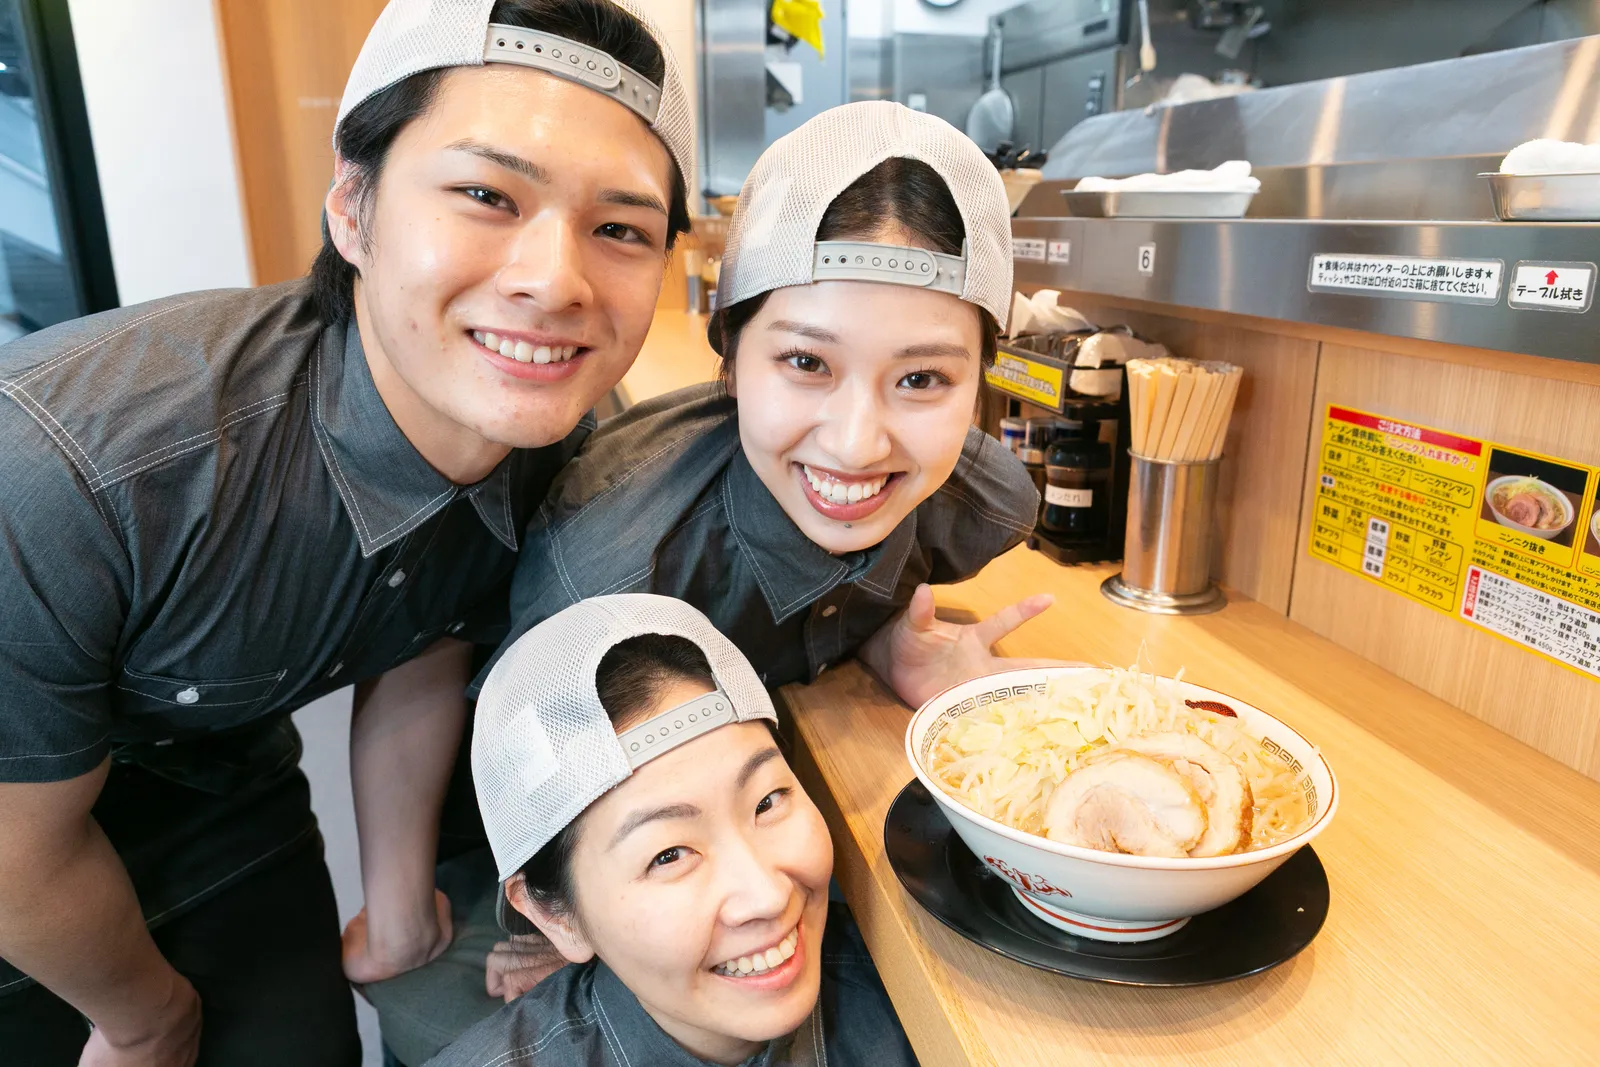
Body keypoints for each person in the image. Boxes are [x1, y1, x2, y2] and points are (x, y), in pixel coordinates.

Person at [0, 1, 694, 1063]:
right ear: (354, 209)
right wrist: (148, 1019)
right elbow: (17, 848)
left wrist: (399, 895)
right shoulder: (73, 471)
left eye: (620, 228)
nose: (554, 281)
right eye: (484, 194)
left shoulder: (546, 436)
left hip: (221, 776)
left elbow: (423, 631)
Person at [367, 99, 1055, 1062]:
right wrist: (566, 926)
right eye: (806, 361)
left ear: (985, 382)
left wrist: (883, 630)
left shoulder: (980, 500)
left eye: (923, 379)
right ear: (731, 361)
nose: (858, 441)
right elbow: (545, 781)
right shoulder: (611, 567)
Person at [426, 593, 920, 1067]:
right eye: (669, 855)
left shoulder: (917, 995)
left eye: (766, 802)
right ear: (557, 918)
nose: (767, 897)